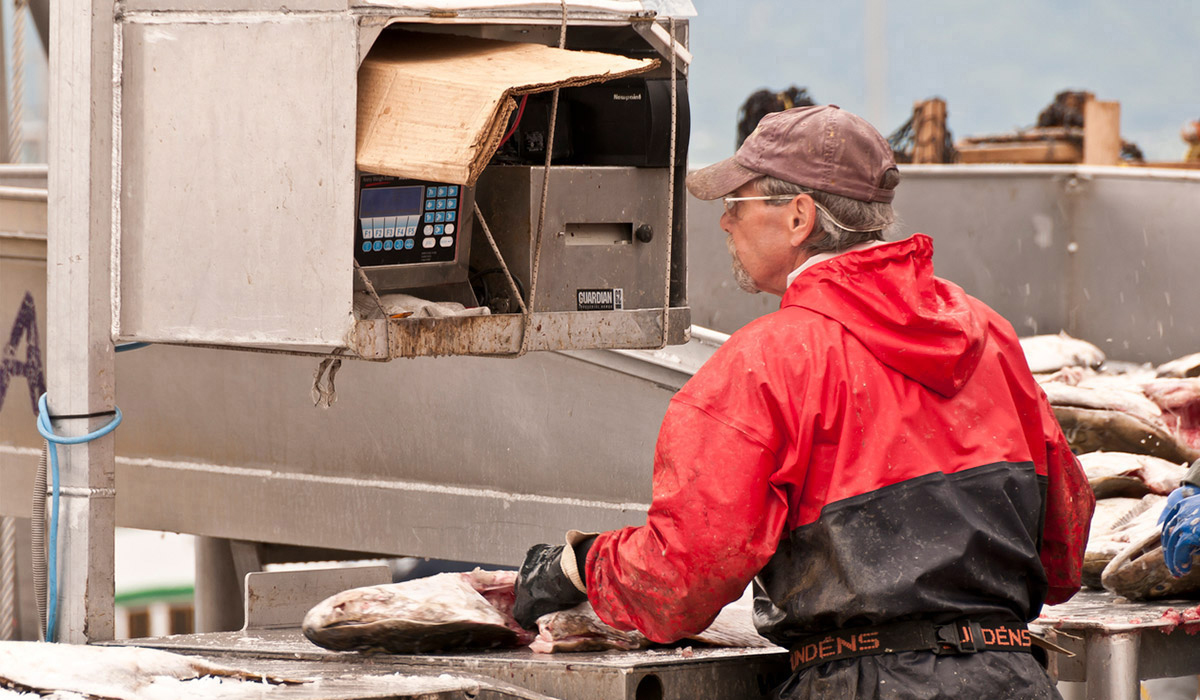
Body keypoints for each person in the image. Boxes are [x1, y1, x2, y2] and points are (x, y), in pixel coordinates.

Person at [512, 104, 1095, 699]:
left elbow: (680, 584)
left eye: (736, 204)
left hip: (862, 684)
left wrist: (578, 566)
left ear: (798, 217)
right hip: (1012, 679)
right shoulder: (988, 333)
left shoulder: (765, 363)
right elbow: (1065, 552)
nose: (725, 225)